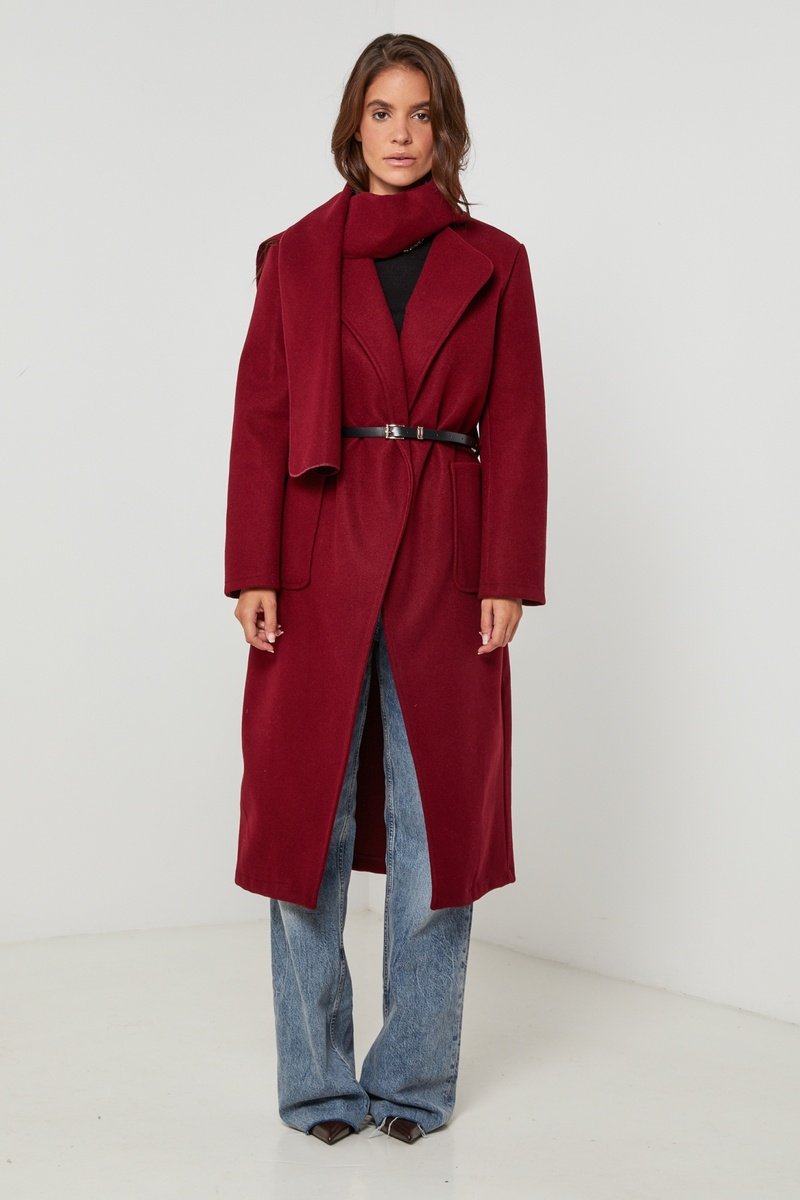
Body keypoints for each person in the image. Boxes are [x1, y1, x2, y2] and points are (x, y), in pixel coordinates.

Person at [224, 32, 548, 1146]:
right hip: (318, 553)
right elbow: (262, 418)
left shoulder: (496, 261)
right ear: (352, 126)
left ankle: (411, 1080)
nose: (401, 134)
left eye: (420, 113)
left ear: (444, 127)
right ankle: (316, 1083)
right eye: (381, 112)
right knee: (299, 827)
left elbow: (516, 423)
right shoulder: (295, 256)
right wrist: (253, 567)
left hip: (447, 558)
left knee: (435, 827)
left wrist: (506, 574)